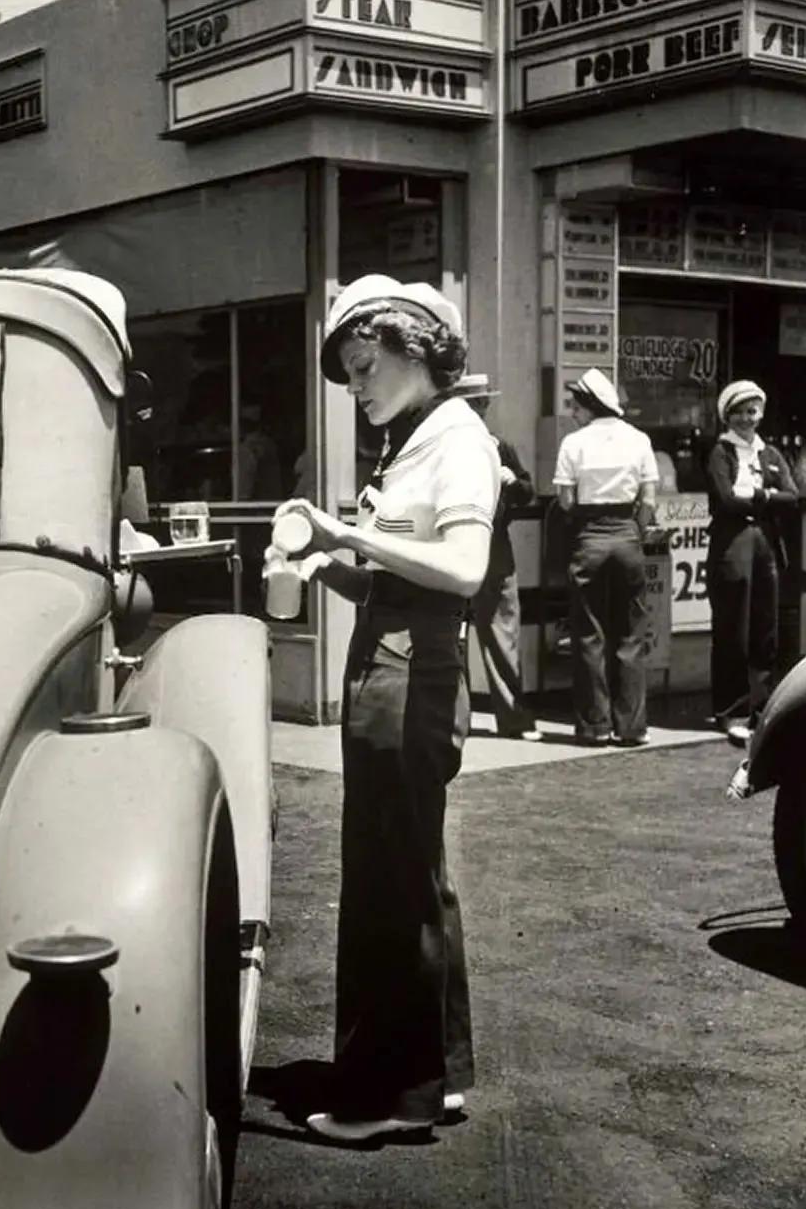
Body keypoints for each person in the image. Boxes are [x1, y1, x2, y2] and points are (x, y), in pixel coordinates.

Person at [267, 274, 499, 1143]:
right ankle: (431, 1074)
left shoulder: (455, 439)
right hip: (400, 655)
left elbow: (466, 569)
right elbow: (397, 572)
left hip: (413, 669)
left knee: (385, 880)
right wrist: (332, 564)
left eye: (365, 365)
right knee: (412, 874)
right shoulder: (419, 440)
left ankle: (381, 1100)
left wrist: (345, 534)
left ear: (413, 349)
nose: (356, 385)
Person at [553, 367, 659, 747]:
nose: (573, 413)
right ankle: (631, 727)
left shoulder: (573, 444)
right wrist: (637, 530)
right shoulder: (639, 440)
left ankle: (594, 726)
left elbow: (566, 500)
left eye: (576, 406)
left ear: (589, 406)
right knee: (631, 632)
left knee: (589, 634)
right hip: (628, 537)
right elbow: (648, 500)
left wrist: (584, 521)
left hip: (589, 538)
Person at [705, 380, 798, 745]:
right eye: (740, 412)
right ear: (728, 415)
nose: (747, 418)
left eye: (753, 411)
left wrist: (758, 494)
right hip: (732, 544)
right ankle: (731, 710)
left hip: (765, 544)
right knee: (734, 627)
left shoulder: (770, 453)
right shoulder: (720, 452)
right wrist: (769, 497)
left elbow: (793, 495)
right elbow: (727, 499)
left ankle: (760, 708)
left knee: (764, 627)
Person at [460, 375, 541, 740]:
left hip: (494, 546)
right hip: (455, 543)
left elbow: (529, 492)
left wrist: (513, 480)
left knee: (503, 632)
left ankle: (513, 719)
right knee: (449, 634)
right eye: (471, 404)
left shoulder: (499, 447)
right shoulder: (443, 449)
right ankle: (451, 718)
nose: (478, 410)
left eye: (482, 404)